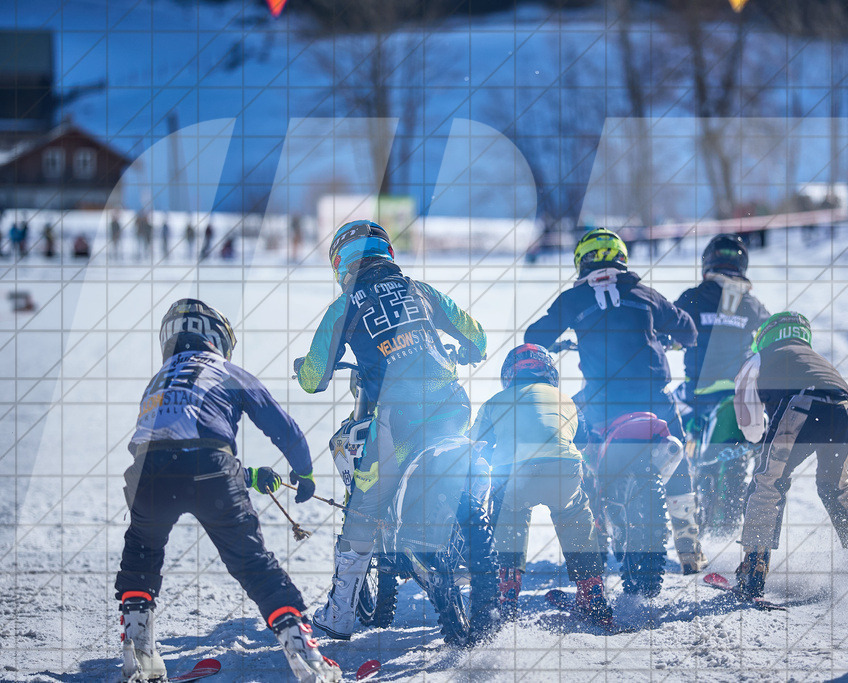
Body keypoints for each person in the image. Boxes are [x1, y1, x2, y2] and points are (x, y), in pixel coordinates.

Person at [115, 299, 340, 682]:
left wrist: (250, 475)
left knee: (142, 553)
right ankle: (301, 648)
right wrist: (303, 473)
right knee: (253, 564)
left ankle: (139, 649)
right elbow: (281, 428)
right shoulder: (226, 370)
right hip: (211, 470)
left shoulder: (158, 379)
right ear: (215, 337)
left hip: (148, 473)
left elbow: (173, 445)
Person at [293, 219, 487, 640]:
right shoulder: (422, 291)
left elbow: (313, 377)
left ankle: (340, 615)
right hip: (452, 406)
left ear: (343, 264)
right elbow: (478, 337)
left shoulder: (343, 307)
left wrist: (303, 372)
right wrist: (466, 351)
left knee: (365, 504)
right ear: (386, 254)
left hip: (399, 418)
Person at [523, 227, 706, 572]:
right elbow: (689, 330)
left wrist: (559, 341)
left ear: (582, 261)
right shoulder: (644, 293)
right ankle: (689, 544)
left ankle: (593, 531)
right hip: (653, 394)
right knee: (678, 454)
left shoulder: (572, 300)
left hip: (602, 398)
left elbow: (534, 337)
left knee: (575, 443)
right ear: (622, 257)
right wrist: (665, 334)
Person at [733, 311, 848, 598]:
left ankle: (753, 572)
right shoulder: (816, 359)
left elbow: (750, 425)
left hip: (801, 406)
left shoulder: (761, 356)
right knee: (836, 486)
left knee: (767, 483)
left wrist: (759, 441)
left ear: (766, 335)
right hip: (847, 412)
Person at [473, 344, 611, 626]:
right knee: (575, 516)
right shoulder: (566, 400)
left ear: (509, 374)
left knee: (508, 518)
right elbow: (582, 440)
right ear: (549, 372)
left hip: (513, 473)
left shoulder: (495, 401)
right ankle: (592, 593)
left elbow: (476, 446)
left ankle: (506, 598)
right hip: (562, 468)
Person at [672, 234, 770, 539]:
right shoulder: (752, 303)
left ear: (708, 261)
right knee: (761, 444)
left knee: (666, 426)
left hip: (700, 392)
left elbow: (668, 330)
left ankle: (678, 484)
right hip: (744, 393)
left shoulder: (693, 296)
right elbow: (768, 336)